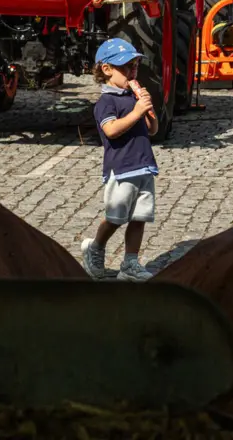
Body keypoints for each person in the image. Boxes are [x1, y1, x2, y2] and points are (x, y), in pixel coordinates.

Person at [80, 38, 159, 282]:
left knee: (139, 217)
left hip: (143, 164)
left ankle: (131, 263)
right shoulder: (107, 102)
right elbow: (111, 130)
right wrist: (136, 112)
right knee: (116, 216)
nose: (132, 72)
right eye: (126, 68)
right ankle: (95, 246)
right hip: (121, 168)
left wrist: (148, 110)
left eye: (135, 66)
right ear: (106, 70)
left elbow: (153, 130)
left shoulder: (133, 97)